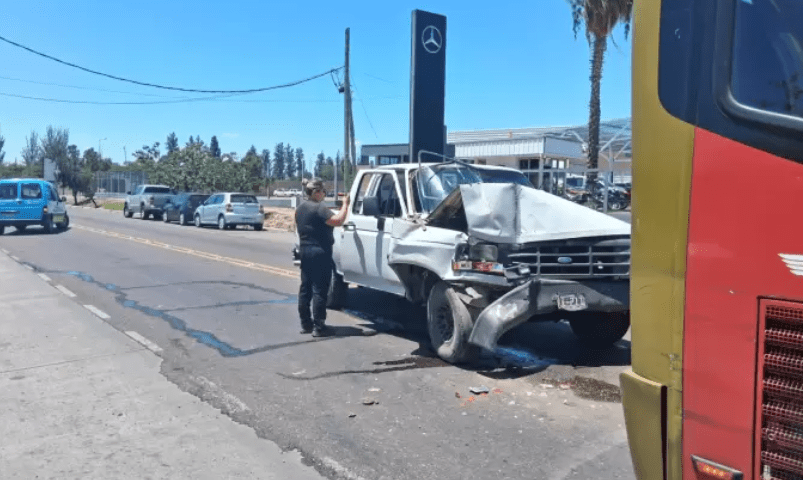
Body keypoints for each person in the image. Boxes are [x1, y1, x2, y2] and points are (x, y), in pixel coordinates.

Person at [295, 178, 350, 337]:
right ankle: (319, 326)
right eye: (323, 191)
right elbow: (338, 221)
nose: (324, 194)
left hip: (305, 251)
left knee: (305, 288)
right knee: (320, 290)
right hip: (320, 252)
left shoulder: (300, 209)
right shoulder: (319, 208)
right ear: (317, 192)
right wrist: (345, 204)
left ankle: (306, 323)